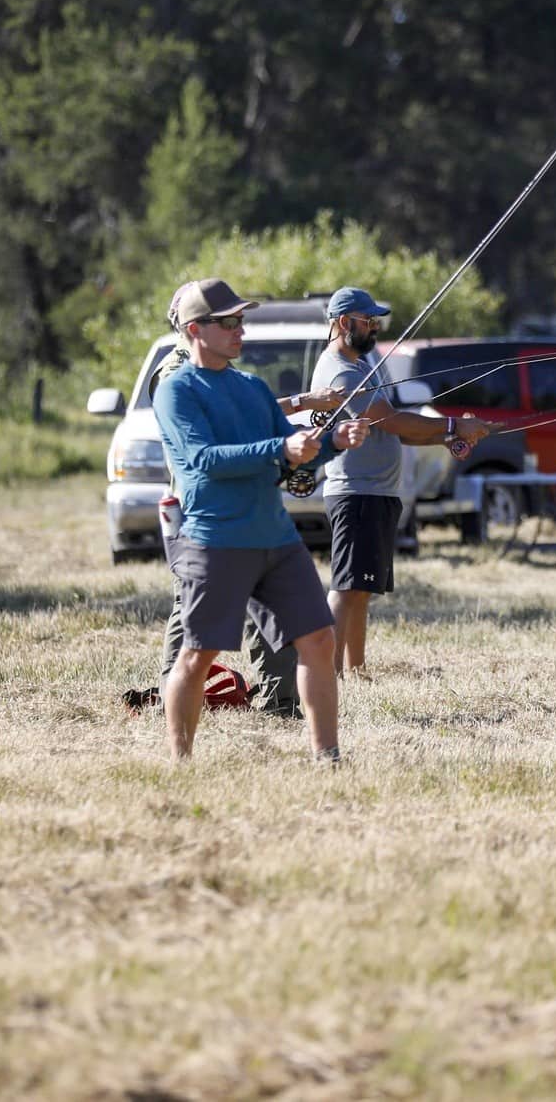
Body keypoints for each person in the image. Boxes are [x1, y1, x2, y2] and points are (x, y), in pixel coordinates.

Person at [152, 277, 370, 763]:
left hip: (276, 536)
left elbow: (292, 454)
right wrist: (280, 447)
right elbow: (204, 457)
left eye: (241, 320)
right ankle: (180, 760)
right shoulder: (176, 390)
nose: (239, 329)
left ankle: (327, 757)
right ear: (195, 329)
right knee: (197, 655)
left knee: (318, 638)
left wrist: (332, 443)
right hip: (216, 538)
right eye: (228, 321)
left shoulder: (251, 387)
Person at [309, 286, 488, 681]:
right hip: (356, 492)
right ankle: (329, 674)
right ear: (343, 323)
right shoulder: (340, 368)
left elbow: (398, 431)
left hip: (377, 491)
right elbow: (388, 419)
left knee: (361, 588)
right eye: (367, 321)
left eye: (376, 321)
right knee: (346, 586)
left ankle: (355, 670)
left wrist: (446, 437)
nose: (374, 327)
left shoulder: (365, 364)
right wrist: (455, 424)